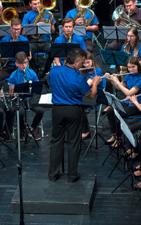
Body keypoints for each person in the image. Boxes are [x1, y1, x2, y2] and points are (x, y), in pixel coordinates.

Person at [48, 48, 100, 182]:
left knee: (56, 141)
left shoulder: (54, 71)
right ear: (76, 62)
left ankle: (53, 174)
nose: (83, 65)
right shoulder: (78, 77)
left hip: (57, 110)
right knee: (73, 142)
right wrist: (94, 83)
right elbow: (91, 95)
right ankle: (72, 175)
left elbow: (51, 84)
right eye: (82, 63)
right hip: (73, 111)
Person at [104, 56, 141, 145]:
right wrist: (112, 80)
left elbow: (129, 92)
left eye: (133, 67)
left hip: (138, 104)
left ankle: (119, 139)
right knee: (111, 110)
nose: (130, 69)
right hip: (128, 102)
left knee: (118, 113)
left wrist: (117, 81)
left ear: (138, 66)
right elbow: (119, 87)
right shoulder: (128, 75)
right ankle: (114, 135)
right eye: (129, 67)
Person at [8, 51, 45, 141]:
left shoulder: (32, 73)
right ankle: (22, 130)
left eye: (25, 63)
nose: (24, 66)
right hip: (19, 99)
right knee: (20, 113)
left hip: (30, 98)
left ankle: (32, 128)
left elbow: (36, 89)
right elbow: (11, 94)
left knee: (41, 110)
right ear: (16, 64)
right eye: (21, 64)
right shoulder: (13, 75)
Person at [22, 0, 56, 74]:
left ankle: (46, 70)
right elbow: (23, 33)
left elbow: (53, 31)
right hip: (33, 42)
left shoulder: (48, 13)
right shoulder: (27, 16)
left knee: (54, 51)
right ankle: (35, 71)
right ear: (30, 4)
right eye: (34, 4)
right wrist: (34, 26)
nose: (37, 5)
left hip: (45, 41)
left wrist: (50, 25)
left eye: (38, 3)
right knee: (27, 53)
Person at [80, 51, 106, 139]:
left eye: (88, 62)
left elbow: (88, 83)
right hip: (86, 93)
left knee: (78, 106)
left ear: (92, 61)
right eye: (84, 63)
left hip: (96, 95)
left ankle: (85, 130)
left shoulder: (97, 70)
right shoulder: (83, 70)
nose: (86, 65)